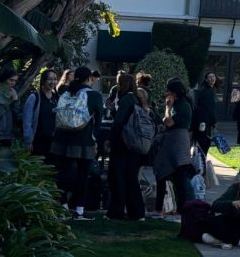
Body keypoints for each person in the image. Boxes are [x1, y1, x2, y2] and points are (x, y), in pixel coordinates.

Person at [50, 66, 104, 220]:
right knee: (83, 176)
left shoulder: (66, 92)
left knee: (62, 175)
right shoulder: (94, 95)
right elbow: (98, 120)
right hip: (84, 142)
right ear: (89, 78)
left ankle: (62, 207)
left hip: (61, 140)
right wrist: (95, 140)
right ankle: (79, 210)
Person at [153, 77, 195, 217]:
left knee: (177, 178)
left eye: (168, 91)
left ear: (174, 92)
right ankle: (167, 208)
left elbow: (168, 122)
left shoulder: (181, 106)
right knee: (176, 178)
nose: (166, 93)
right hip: (177, 143)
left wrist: (167, 107)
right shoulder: (183, 103)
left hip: (176, 143)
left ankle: (174, 209)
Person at [107, 72, 146, 221]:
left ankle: (116, 212)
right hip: (135, 144)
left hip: (122, 144)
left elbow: (119, 122)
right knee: (132, 179)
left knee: (117, 178)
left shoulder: (125, 100)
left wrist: (110, 139)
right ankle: (136, 212)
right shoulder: (137, 98)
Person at [23, 68, 60, 162]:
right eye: (50, 79)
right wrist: (28, 141)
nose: (53, 82)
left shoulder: (57, 99)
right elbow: (27, 121)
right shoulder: (34, 97)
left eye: (55, 79)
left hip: (54, 142)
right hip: (37, 141)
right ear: (43, 80)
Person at [192, 72, 219, 159]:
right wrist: (214, 121)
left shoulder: (210, 90)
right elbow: (207, 109)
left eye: (213, 76)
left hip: (206, 122)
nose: (212, 78)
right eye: (210, 77)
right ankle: (200, 165)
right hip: (203, 123)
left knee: (203, 145)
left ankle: (200, 163)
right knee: (203, 144)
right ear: (206, 79)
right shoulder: (205, 91)